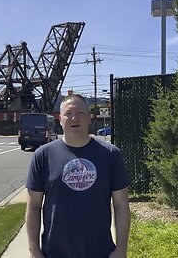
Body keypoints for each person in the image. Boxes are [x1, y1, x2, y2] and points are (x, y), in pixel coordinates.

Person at [25, 94, 131, 258]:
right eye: (68, 113)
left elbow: (121, 204)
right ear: (60, 119)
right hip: (54, 253)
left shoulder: (111, 154)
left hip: (100, 252)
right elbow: (33, 206)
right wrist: (34, 250)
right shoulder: (42, 155)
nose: (74, 118)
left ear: (89, 118)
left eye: (80, 113)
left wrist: (121, 250)